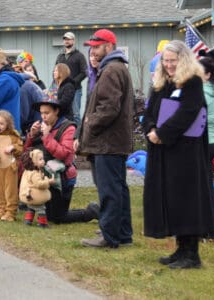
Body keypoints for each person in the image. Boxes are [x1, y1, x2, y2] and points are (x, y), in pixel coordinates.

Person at [142, 40, 214, 269]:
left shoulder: (192, 82)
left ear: (183, 59)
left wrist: (163, 133)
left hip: (186, 153)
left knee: (187, 200)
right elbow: (149, 112)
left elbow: (188, 112)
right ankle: (180, 248)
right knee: (172, 199)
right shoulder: (161, 83)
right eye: (165, 61)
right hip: (164, 151)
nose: (168, 65)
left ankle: (192, 254)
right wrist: (150, 129)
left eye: (172, 61)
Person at [76, 29, 134, 248]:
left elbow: (108, 108)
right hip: (112, 141)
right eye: (92, 46)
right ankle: (123, 234)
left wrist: (90, 124)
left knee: (109, 190)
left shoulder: (111, 70)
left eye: (97, 46)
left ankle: (109, 236)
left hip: (107, 142)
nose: (93, 50)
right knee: (119, 189)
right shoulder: (115, 68)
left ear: (109, 46)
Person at [26, 96, 99, 224]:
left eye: (47, 113)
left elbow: (64, 154)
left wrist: (47, 137)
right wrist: (32, 135)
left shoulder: (68, 128)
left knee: (58, 218)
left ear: (56, 111)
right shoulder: (43, 127)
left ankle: (91, 212)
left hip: (63, 178)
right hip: (45, 176)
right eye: (41, 113)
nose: (43, 117)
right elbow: (28, 152)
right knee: (48, 216)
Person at [55, 32, 87, 125]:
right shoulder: (60, 56)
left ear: (73, 41)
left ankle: (78, 137)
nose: (66, 41)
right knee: (63, 113)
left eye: (68, 39)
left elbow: (84, 72)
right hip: (62, 90)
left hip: (76, 90)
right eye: (65, 39)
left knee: (76, 115)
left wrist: (73, 82)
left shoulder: (79, 56)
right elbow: (56, 70)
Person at [19, 148, 54, 227]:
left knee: (31, 207)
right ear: (34, 162)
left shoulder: (28, 171)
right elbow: (39, 184)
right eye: (40, 159)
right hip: (34, 196)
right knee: (41, 208)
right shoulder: (34, 173)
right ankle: (42, 223)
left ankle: (28, 220)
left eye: (43, 159)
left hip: (29, 194)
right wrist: (48, 181)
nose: (43, 161)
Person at [12, 64, 43, 136]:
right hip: (39, 123)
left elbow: (23, 115)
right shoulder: (28, 84)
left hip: (35, 127)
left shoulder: (22, 87)